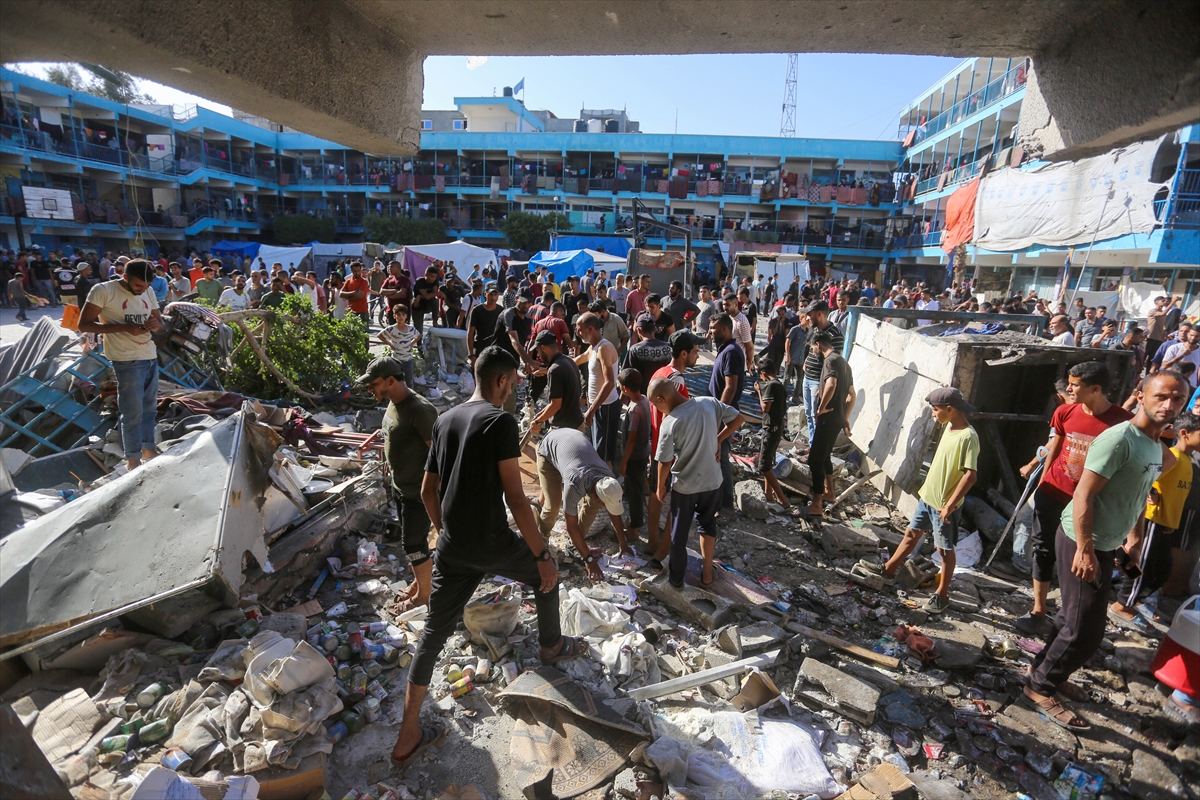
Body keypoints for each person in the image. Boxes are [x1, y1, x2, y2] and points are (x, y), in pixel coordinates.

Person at [390, 346, 586, 770]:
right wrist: (541, 553)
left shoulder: (444, 420)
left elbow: (428, 491)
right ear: (500, 380)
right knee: (545, 575)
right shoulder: (500, 421)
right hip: (493, 541)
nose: (513, 390)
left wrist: (446, 533)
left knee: (432, 635)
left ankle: (407, 736)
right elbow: (516, 498)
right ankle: (551, 645)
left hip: (453, 547)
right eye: (513, 383)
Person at [1021, 371, 1188, 731]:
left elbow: (1139, 491)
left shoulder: (1156, 446)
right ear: (1140, 396)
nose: (1169, 405)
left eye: (1177, 399)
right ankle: (1039, 688)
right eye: (1161, 396)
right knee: (1086, 630)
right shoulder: (1120, 439)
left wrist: (1134, 535)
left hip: (1109, 542)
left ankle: (1042, 671)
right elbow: (1084, 494)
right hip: (1082, 541)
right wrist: (1084, 549)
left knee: (1072, 618)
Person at [1014, 362, 1133, 634]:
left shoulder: (1123, 422)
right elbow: (1056, 446)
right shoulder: (1064, 411)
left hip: (1090, 502)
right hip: (1054, 491)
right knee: (1043, 549)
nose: (1068, 388)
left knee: (1084, 556)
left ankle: (1074, 619)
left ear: (1095, 389)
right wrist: (1042, 482)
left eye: (1075, 384)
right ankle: (1039, 609)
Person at [857, 387, 978, 614]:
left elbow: (970, 476)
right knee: (911, 534)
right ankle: (889, 569)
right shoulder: (949, 427)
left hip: (944, 505)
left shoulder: (968, 437)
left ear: (950, 409)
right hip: (928, 497)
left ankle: (942, 595)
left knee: (944, 550)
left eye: (935, 410)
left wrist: (950, 505)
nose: (933, 414)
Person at [359, 357, 439, 613]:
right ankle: (420, 581)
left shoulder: (420, 410)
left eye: (374, 384)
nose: (370, 389)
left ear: (391, 380)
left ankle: (424, 596)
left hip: (418, 493)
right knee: (414, 543)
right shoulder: (394, 404)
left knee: (413, 545)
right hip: (400, 487)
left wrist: (436, 494)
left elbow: (440, 457)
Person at [649, 376, 744, 588]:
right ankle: (707, 573)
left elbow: (664, 462)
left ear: (662, 398)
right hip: (713, 482)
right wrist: (718, 439)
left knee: (679, 535)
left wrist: (659, 487)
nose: (657, 409)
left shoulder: (671, 422)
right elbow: (738, 419)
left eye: (655, 405)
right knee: (707, 524)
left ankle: (675, 582)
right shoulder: (708, 402)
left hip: (685, 486)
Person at [1109, 411, 1197, 630]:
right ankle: (1123, 605)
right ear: (1185, 434)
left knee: (1161, 569)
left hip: (1164, 524)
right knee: (1142, 567)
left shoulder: (1186, 460)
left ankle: (1132, 592)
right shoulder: (1173, 457)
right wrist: (1151, 490)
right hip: (1150, 520)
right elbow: (1147, 473)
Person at [78, 259, 164, 471]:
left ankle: (148, 448)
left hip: (149, 355)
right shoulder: (103, 290)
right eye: (138, 286)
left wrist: (156, 325)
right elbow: (84, 324)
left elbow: (160, 324)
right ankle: (132, 459)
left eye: (146, 287)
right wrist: (124, 328)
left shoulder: (148, 291)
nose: (142, 290)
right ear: (125, 277)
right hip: (126, 359)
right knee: (132, 410)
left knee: (149, 408)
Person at [536, 426, 631, 576]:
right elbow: (571, 525)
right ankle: (539, 544)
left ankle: (574, 545)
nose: (605, 507)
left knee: (592, 507)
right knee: (553, 504)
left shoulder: (608, 479)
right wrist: (589, 560)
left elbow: (614, 509)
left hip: (573, 442)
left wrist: (623, 542)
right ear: (596, 496)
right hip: (549, 450)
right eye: (604, 504)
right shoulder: (575, 484)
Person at [645, 331, 701, 561]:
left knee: (655, 495)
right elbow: (679, 416)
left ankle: (652, 541)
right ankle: (660, 553)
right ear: (684, 353)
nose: (698, 356)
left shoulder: (660, 373)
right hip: (672, 449)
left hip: (657, 444)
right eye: (696, 352)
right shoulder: (676, 379)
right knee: (676, 501)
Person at [805, 329, 855, 517]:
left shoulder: (830, 360)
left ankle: (816, 504)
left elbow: (831, 384)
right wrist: (845, 418)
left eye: (812, 348)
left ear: (818, 344)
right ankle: (829, 492)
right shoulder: (844, 362)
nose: (812, 352)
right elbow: (852, 395)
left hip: (827, 418)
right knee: (824, 456)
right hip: (837, 419)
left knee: (815, 459)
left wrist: (820, 408)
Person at [709, 313, 746, 513]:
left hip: (724, 416)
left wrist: (719, 416)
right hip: (722, 414)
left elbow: (730, 387)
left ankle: (726, 505)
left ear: (724, 329)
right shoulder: (726, 350)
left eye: (713, 328)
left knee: (721, 458)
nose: (710, 332)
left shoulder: (731, 351)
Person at [576, 312, 621, 468]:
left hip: (605, 408)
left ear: (590, 329)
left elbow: (609, 383)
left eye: (580, 329)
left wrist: (591, 410)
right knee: (598, 452)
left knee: (604, 457)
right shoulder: (593, 348)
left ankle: (610, 490)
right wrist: (550, 369)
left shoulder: (604, 348)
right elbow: (577, 360)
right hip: (597, 408)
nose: (578, 333)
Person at [801, 300, 844, 442]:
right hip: (808, 378)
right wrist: (807, 360)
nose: (807, 318)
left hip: (818, 382)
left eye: (810, 314)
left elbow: (836, 362)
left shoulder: (835, 334)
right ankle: (812, 443)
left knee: (816, 416)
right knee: (809, 414)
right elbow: (813, 350)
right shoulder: (815, 330)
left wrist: (824, 385)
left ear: (819, 314)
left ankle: (816, 447)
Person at [619, 368, 652, 545]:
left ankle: (634, 527)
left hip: (634, 455)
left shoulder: (634, 410)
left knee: (634, 494)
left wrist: (623, 462)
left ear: (625, 388)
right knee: (639, 484)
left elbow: (631, 439)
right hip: (644, 450)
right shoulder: (645, 400)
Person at [755, 357, 792, 511]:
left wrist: (759, 391)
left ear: (763, 373)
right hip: (778, 428)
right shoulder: (780, 385)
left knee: (763, 466)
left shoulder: (770, 386)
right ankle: (768, 495)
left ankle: (782, 500)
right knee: (768, 464)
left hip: (770, 429)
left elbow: (765, 407)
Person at [530, 330, 584, 431]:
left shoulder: (554, 370)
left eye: (538, 350)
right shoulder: (569, 361)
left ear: (543, 348)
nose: (538, 355)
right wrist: (540, 415)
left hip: (565, 429)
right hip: (576, 423)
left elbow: (555, 405)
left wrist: (539, 422)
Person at [493, 292, 536, 413]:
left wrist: (526, 363)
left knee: (510, 396)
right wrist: (529, 360)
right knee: (495, 395)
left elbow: (523, 342)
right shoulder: (508, 314)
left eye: (528, 302)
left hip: (512, 361)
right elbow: (514, 341)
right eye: (523, 301)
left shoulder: (527, 318)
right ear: (517, 299)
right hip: (498, 359)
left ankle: (507, 423)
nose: (526, 305)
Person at [378, 305, 420, 386]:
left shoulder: (411, 329)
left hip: (408, 359)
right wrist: (390, 344)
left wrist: (411, 344)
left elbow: (418, 336)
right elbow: (380, 335)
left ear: (406, 316)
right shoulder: (391, 329)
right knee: (396, 382)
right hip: (396, 360)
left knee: (409, 382)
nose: (401, 317)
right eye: (399, 315)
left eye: (403, 315)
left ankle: (410, 396)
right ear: (394, 316)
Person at [465, 281, 502, 364]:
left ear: (498, 295)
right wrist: (471, 355)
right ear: (485, 294)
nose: (493, 297)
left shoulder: (501, 311)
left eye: (495, 294)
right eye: (490, 294)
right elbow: (470, 333)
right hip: (480, 349)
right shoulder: (477, 310)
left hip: (496, 350)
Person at [626, 314, 672, 382]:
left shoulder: (634, 350)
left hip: (641, 392)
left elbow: (627, 375)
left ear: (639, 330)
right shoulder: (668, 347)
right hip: (664, 391)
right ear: (655, 329)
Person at [341, 261, 372, 326]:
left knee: (363, 333)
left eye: (358, 270)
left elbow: (359, 296)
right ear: (351, 270)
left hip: (362, 311)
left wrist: (347, 296)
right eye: (355, 271)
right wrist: (354, 292)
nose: (357, 273)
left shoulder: (364, 282)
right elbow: (341, 294)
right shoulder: (348, 281)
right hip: (351, 312)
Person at [1145, 295, 1170, 363]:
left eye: (1165, 301)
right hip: (1150, 336)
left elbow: (1163, 324)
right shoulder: (1153, 311)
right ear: (1156, 302)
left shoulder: (1164, 314)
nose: (1164, 302)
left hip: (1158, 338)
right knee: (1144, 355)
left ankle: (1148, 373)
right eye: (1162, 301)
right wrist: (1173, 302)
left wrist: (1164, 331)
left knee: (1152, 357)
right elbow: (1162, 313)